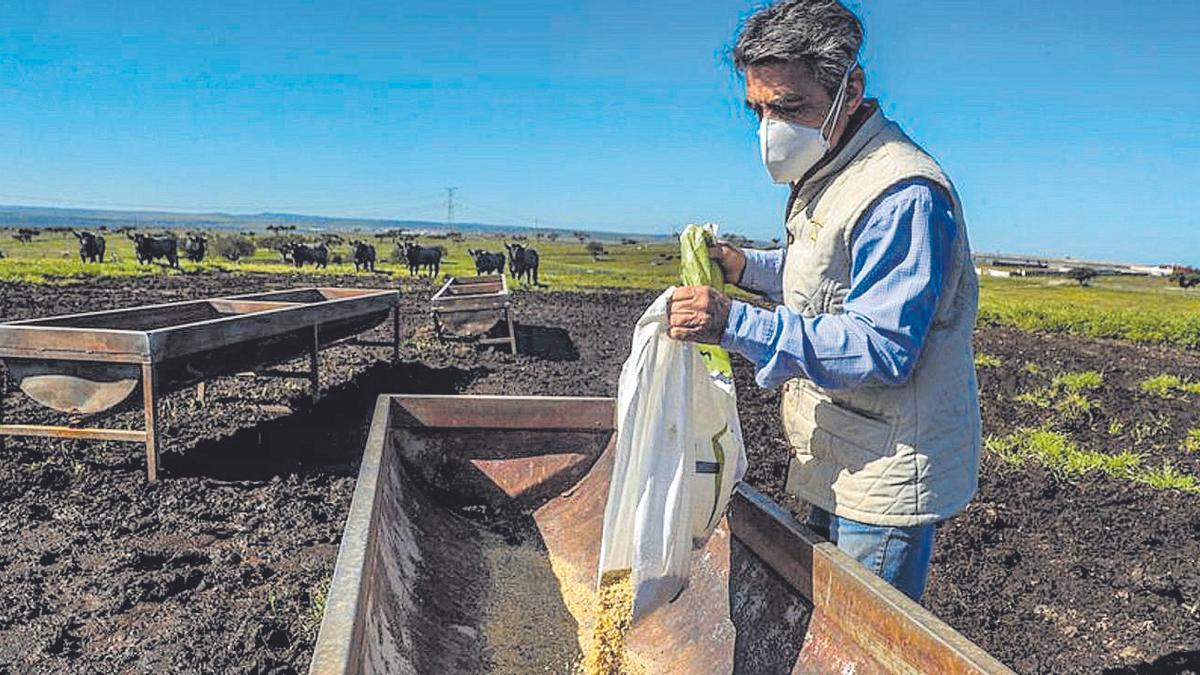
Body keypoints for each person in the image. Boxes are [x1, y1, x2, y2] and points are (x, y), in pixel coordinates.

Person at [666, 0, 980, 603]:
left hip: (883, 473)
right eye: (757, 110)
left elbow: (881, 345)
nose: (771, 130)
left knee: (859, 634)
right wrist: (744, 267)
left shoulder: (901, 193)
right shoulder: (836, 168)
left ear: (849, 88)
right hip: (835, 450)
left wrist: (735, 323)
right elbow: (825, 273)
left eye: (789, 107)